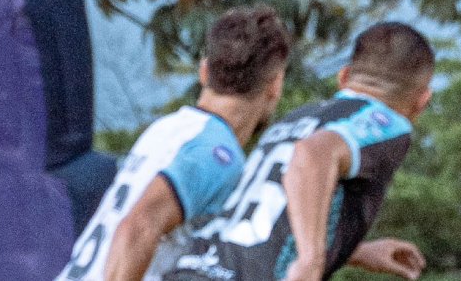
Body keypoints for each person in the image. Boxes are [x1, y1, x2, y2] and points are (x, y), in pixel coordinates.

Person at [164, 21, 435, 281]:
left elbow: (268, 215)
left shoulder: (295, 119)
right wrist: (311, 262)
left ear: (344, 76)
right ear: (422, 100)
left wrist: (357, 252)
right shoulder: (388, 124)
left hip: (194, 266)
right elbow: (313, 156)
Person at [55, 5, 291, 281]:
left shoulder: (169, 129)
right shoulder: (216, 153)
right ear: (276, 84)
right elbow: (139, 227)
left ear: (204, 71)